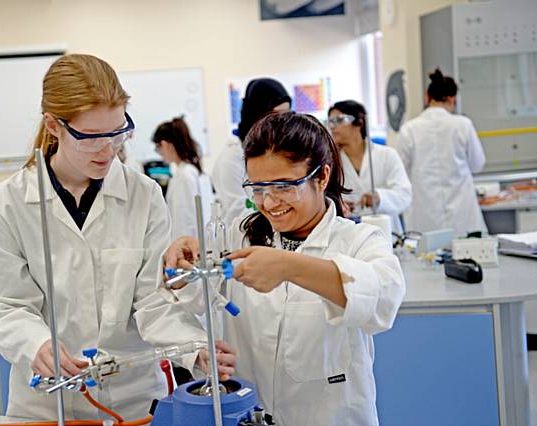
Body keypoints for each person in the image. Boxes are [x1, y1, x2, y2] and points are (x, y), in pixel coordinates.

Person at [0, 54, 234, 421]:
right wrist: (37, 344)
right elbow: (4, 305)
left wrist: (193, 348)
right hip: (48, 403)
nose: (108, 149)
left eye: (117, 132)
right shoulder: (7, 204)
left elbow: (152, 300)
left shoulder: (143, 195)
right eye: (92, 137)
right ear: (53, 125)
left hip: (134, 401)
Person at [163, 111, 405, 425]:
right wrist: (178, 262)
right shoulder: (236, 235)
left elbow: (384, 298)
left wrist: (289, 266)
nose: (269, 202)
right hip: (250, 415)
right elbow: (179, 301)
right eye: (258, 188)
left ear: (322, 176)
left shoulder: (359, 240)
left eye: (283, 187)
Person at [395, 68, 487, 236]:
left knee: (425, 258)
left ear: (427, 97)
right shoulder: (463, 125)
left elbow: (400, 172)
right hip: (462, 214)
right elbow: (477, 164)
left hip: (424, 214)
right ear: (452, 99)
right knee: (468, 255)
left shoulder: (409, 129)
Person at [212, 78, 291, 225]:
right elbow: (238, 215)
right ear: (258, 115)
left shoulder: (278, 150)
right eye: (276, 115)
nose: (283, 122)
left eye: (287, 114)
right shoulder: (231, 160)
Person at [327, 100, 411, 234]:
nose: (332, 127)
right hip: (349, 234)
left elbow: (404, 195)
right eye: (330, 121)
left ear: (359, 122)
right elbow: (325, 198)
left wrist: (379, 197)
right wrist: (338, 205)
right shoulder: (331, 162)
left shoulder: (387, 155)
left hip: (388, 233)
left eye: (339, 120)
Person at [152, 116, 214, 239]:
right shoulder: (195, 171)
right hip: (202, 244)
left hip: (189, 248)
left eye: (158, 148)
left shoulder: (184, 176)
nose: (160, 154)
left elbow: (184, 222)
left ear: (164, 144)